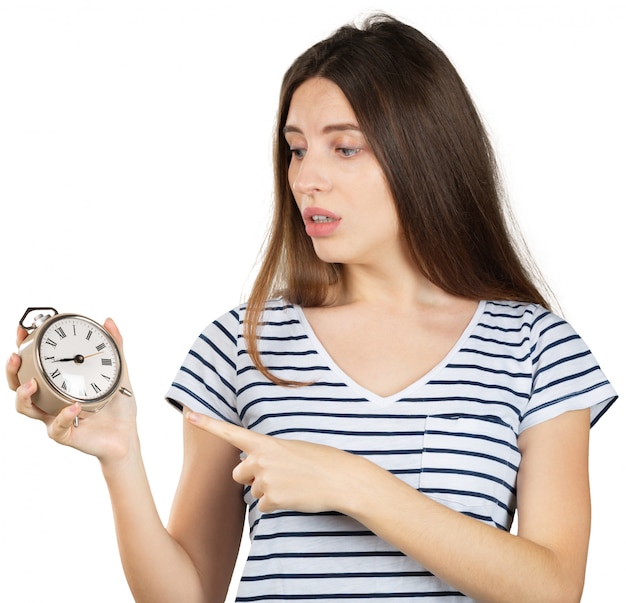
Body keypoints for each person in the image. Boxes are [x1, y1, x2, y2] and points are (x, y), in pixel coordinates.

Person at [7, 13, 617, 603]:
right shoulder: (237, 344)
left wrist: (353, 484)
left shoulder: (535, 348)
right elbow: (187, 597)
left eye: (344, 149)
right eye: (297, 150)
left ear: (426, 154)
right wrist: (120, 455)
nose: (306, 179)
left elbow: (553, 587)